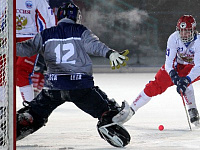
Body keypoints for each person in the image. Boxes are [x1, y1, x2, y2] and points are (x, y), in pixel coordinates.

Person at [16, 2, 133, 147]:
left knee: (34, 114)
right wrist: (110, 53)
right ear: (77, 16)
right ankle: (107, 122)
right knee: (107, 109)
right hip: (80, 87)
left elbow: (25, 50)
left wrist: (6, 43)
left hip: (53, 88)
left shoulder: (45, 34)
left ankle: (22, 123)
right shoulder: (80, 30)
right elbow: (94, 45)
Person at [130, 15, 200, 126]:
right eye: (181, 31)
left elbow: (198, 67)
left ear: (194, 30)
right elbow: (169, 63)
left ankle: (192, 109)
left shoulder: (198, 42)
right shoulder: (173, 38)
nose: (184, 34)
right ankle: (131, 109)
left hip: (193, 67)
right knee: (155, 85)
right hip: (178, 66)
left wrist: (186, 80)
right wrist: (173, 75)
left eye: (187, 31)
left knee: (186, 85)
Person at [16, 0, 55, 102]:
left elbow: (48, 20)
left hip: (29, 39)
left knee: (21, 71)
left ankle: (29, 109)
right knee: (2, 73)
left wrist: (50, 40)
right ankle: (2, 108)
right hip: (5, 36)